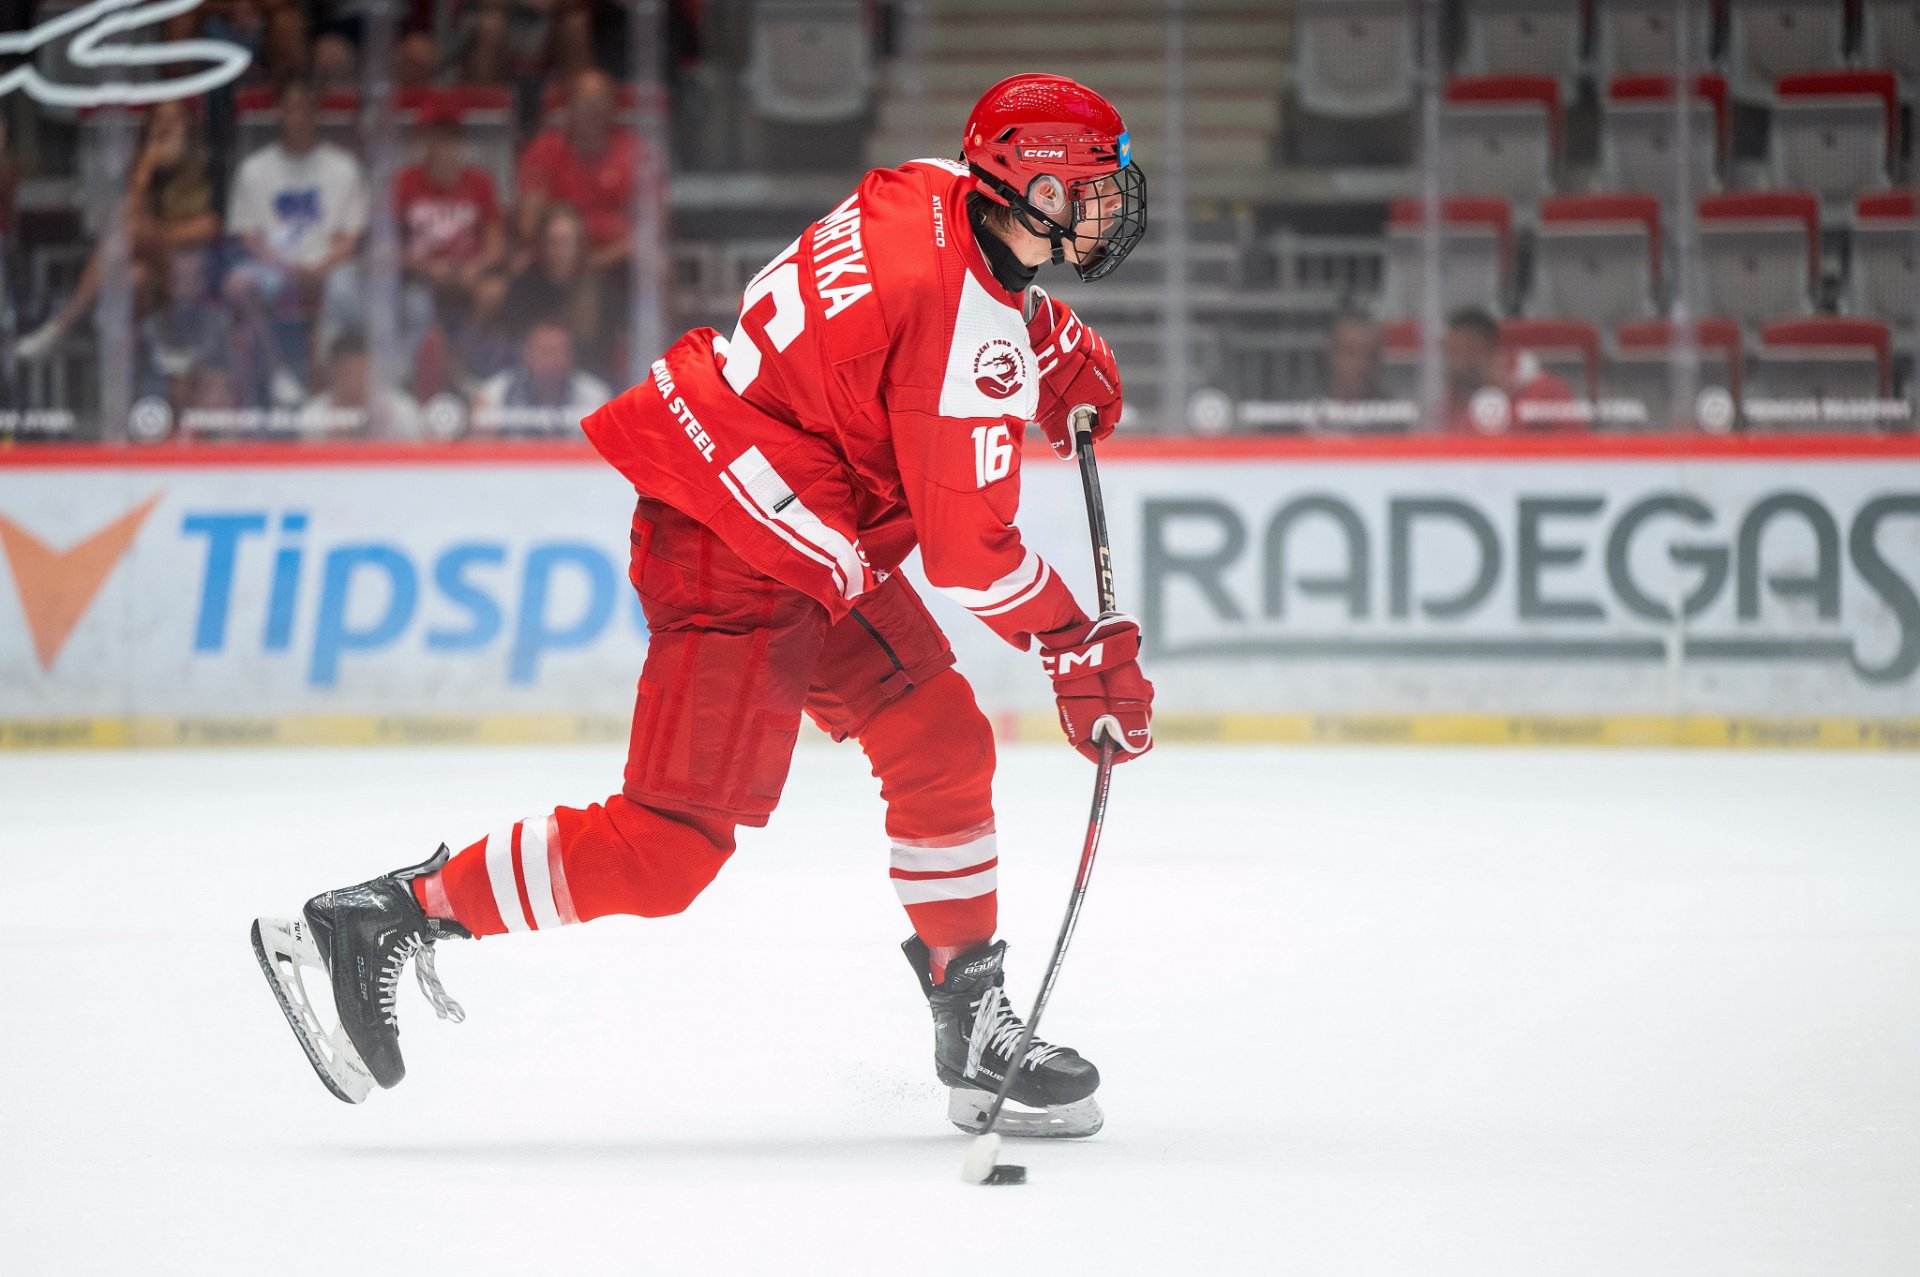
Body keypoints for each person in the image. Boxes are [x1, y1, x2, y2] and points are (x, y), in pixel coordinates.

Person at [253, 74, 1152, 1138]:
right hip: (742, 542)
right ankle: (387, 914)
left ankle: (969, 1019)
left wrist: (1046, 338)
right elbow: (970, 554)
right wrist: (1075, 645)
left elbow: (931, 314)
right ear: (1029, 186)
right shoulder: (969, 337)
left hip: (782, 505)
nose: (1109, 206)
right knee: (665, 848)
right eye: (1090, 186)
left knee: (939, 736)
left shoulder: (931, 188)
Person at [15, 100, 220, 362]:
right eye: (158, 122)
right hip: (149, 274)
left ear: (188, 128)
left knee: (130, 235)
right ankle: (154, 350)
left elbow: (209, 228)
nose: (164, 130)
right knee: (135, 277)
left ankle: (63, 323)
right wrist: (147, 165)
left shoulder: (209, 165)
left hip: (192, 272)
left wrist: (153, 235)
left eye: (172, 122)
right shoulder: (142, 170)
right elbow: (122, 220)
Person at [224, 78, 370, 402]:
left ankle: (327, 381)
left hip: (330, 268)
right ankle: (278, 373)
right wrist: (285, 267)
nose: (299, 117)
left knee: (349, 284)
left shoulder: (344, 167)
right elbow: (248, 238)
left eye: (306, 109)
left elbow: (351, 238)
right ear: (279, 112)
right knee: (239, 283)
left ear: (317, 113)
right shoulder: (253, 169)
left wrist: (322, 266)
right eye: (291, 109)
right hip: (274, 267)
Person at [512, 69, 642, 276]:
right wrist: (561, 252)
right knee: (518, 267)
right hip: (556, 257)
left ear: (613, 108)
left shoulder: (636, 153)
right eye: (584, 103)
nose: (592, 111)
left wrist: (599, 260)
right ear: (569, 107)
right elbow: (528, 223)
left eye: (599, 102)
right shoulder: (543, 149)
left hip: (619, 258)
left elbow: (650, 227)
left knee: (656, 264)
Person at [1443, 306, 1581, 435]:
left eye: (1457, 351)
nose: (1453, 363)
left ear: (1480, 347)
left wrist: (1501, 394)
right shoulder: (1458, 394)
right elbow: (1451, 440)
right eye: (1450, 351)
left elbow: (1574, 442)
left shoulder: (1547, 389)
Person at [469, 319, 610, 434]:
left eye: (558, 352)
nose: (551, 361)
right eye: (544, 352)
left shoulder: (596, 397)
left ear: (571, 356)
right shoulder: (493, 395)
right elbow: (480, 450)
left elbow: (604, 452)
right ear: (527, 354)